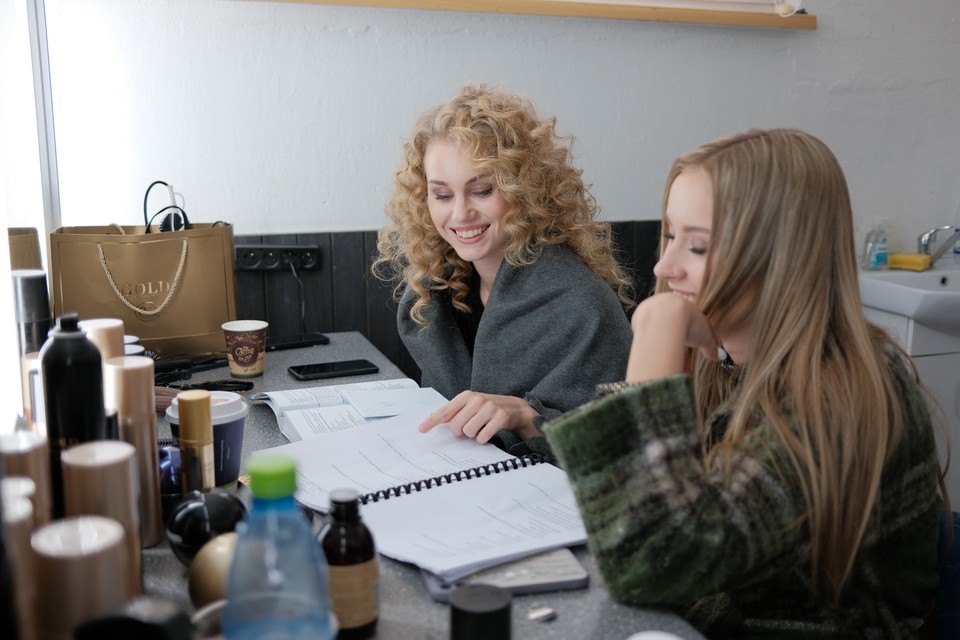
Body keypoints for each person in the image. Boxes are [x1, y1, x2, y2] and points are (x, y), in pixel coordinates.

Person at [543, 129, 946, 637]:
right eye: (670, 235)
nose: (663, 266)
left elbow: (652, 560)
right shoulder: (730, 360)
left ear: (784, 257)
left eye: (699, 245)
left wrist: (654, 327)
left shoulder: (835, 398)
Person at [373, 84, 635, 460]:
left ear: (525, 190)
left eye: (482, 190)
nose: (460, 214)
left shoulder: (581, 304)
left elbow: (620, 447)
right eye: (442, 195)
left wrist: (527, 419)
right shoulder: (435, 294)